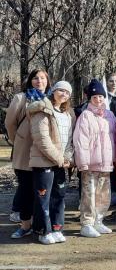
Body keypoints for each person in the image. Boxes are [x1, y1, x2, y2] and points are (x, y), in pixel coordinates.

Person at [27, 81, 75, 244]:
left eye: (67, 92)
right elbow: (42, 140)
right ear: (53, 91)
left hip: (60, 163)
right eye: (60, 90)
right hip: (43, 162)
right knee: (43, 198)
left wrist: (67, 157)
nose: (64, 94)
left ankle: (56, 228)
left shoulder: (68, 114)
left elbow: (69, 140)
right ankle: (43, 231)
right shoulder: (42, 110)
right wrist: (59, 158)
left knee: (59, 197)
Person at [7, 69, 51, 239]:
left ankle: (40, 225)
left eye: (42, 78)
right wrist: (18, 138)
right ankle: (25, 225)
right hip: (25, 150)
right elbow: (10, 123)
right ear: (30, 80)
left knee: (42, 191)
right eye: (35, 78)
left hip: (45, 151)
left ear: (47, 80)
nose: (39, 81)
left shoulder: (50, 98)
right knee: (25, 189)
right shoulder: (21, 98)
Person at [73, 79, 116, 238]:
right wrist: (83, 162)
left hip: (106, 163)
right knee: (89, 195)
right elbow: (80, 140)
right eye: (94, 97)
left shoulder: (110, 115)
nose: (98, 100)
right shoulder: (85, 115)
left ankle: (99, 220)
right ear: (89, 99)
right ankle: (87, 223)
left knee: (103, 194)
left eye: (100, 96)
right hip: (90, 164)